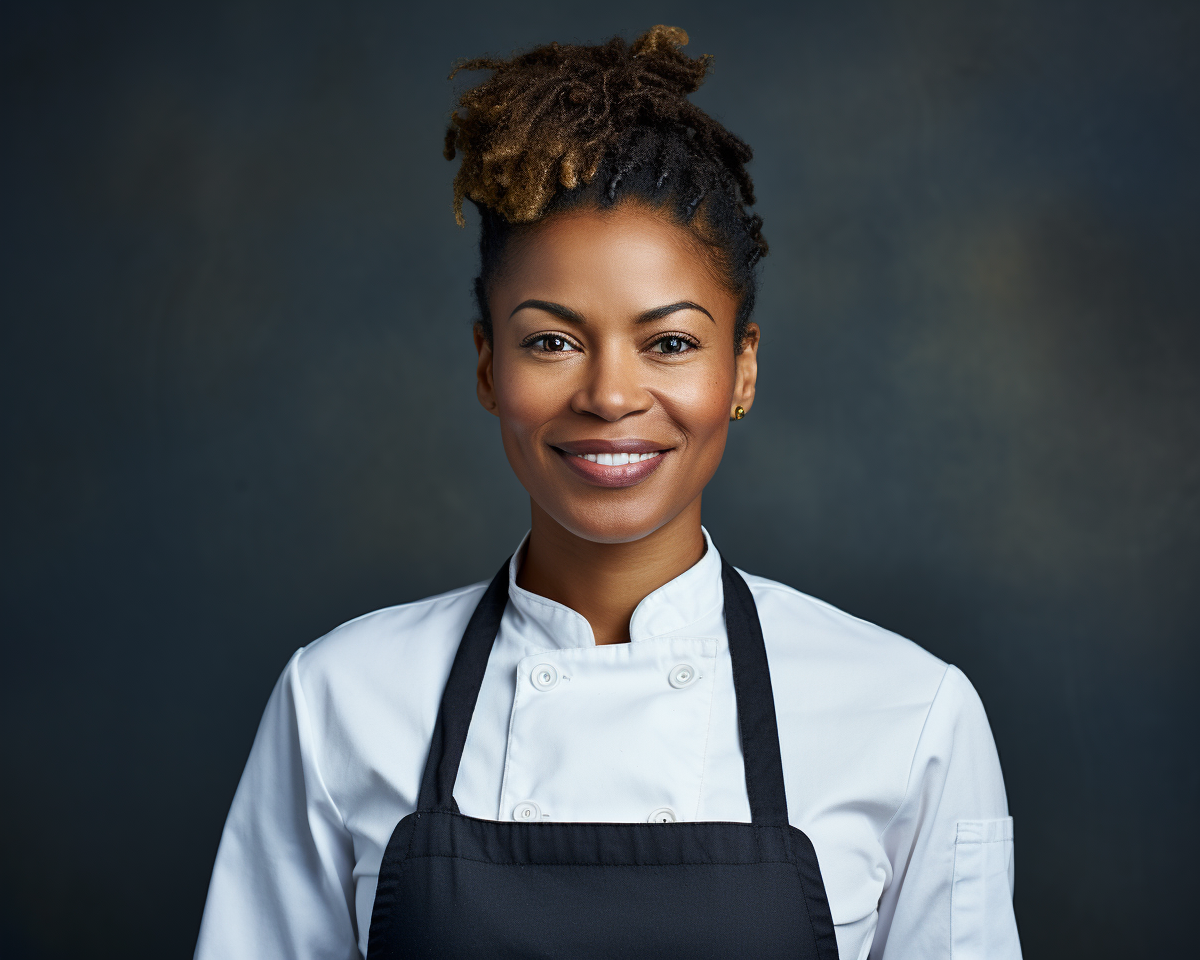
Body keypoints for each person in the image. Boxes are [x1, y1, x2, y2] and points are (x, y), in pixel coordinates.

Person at [194, 26, 1021, 960]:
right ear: (486, 365)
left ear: (742, 370)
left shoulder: (911, 716)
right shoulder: (340, 699)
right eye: (552, 340)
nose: (611, 396)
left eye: (670, 342)